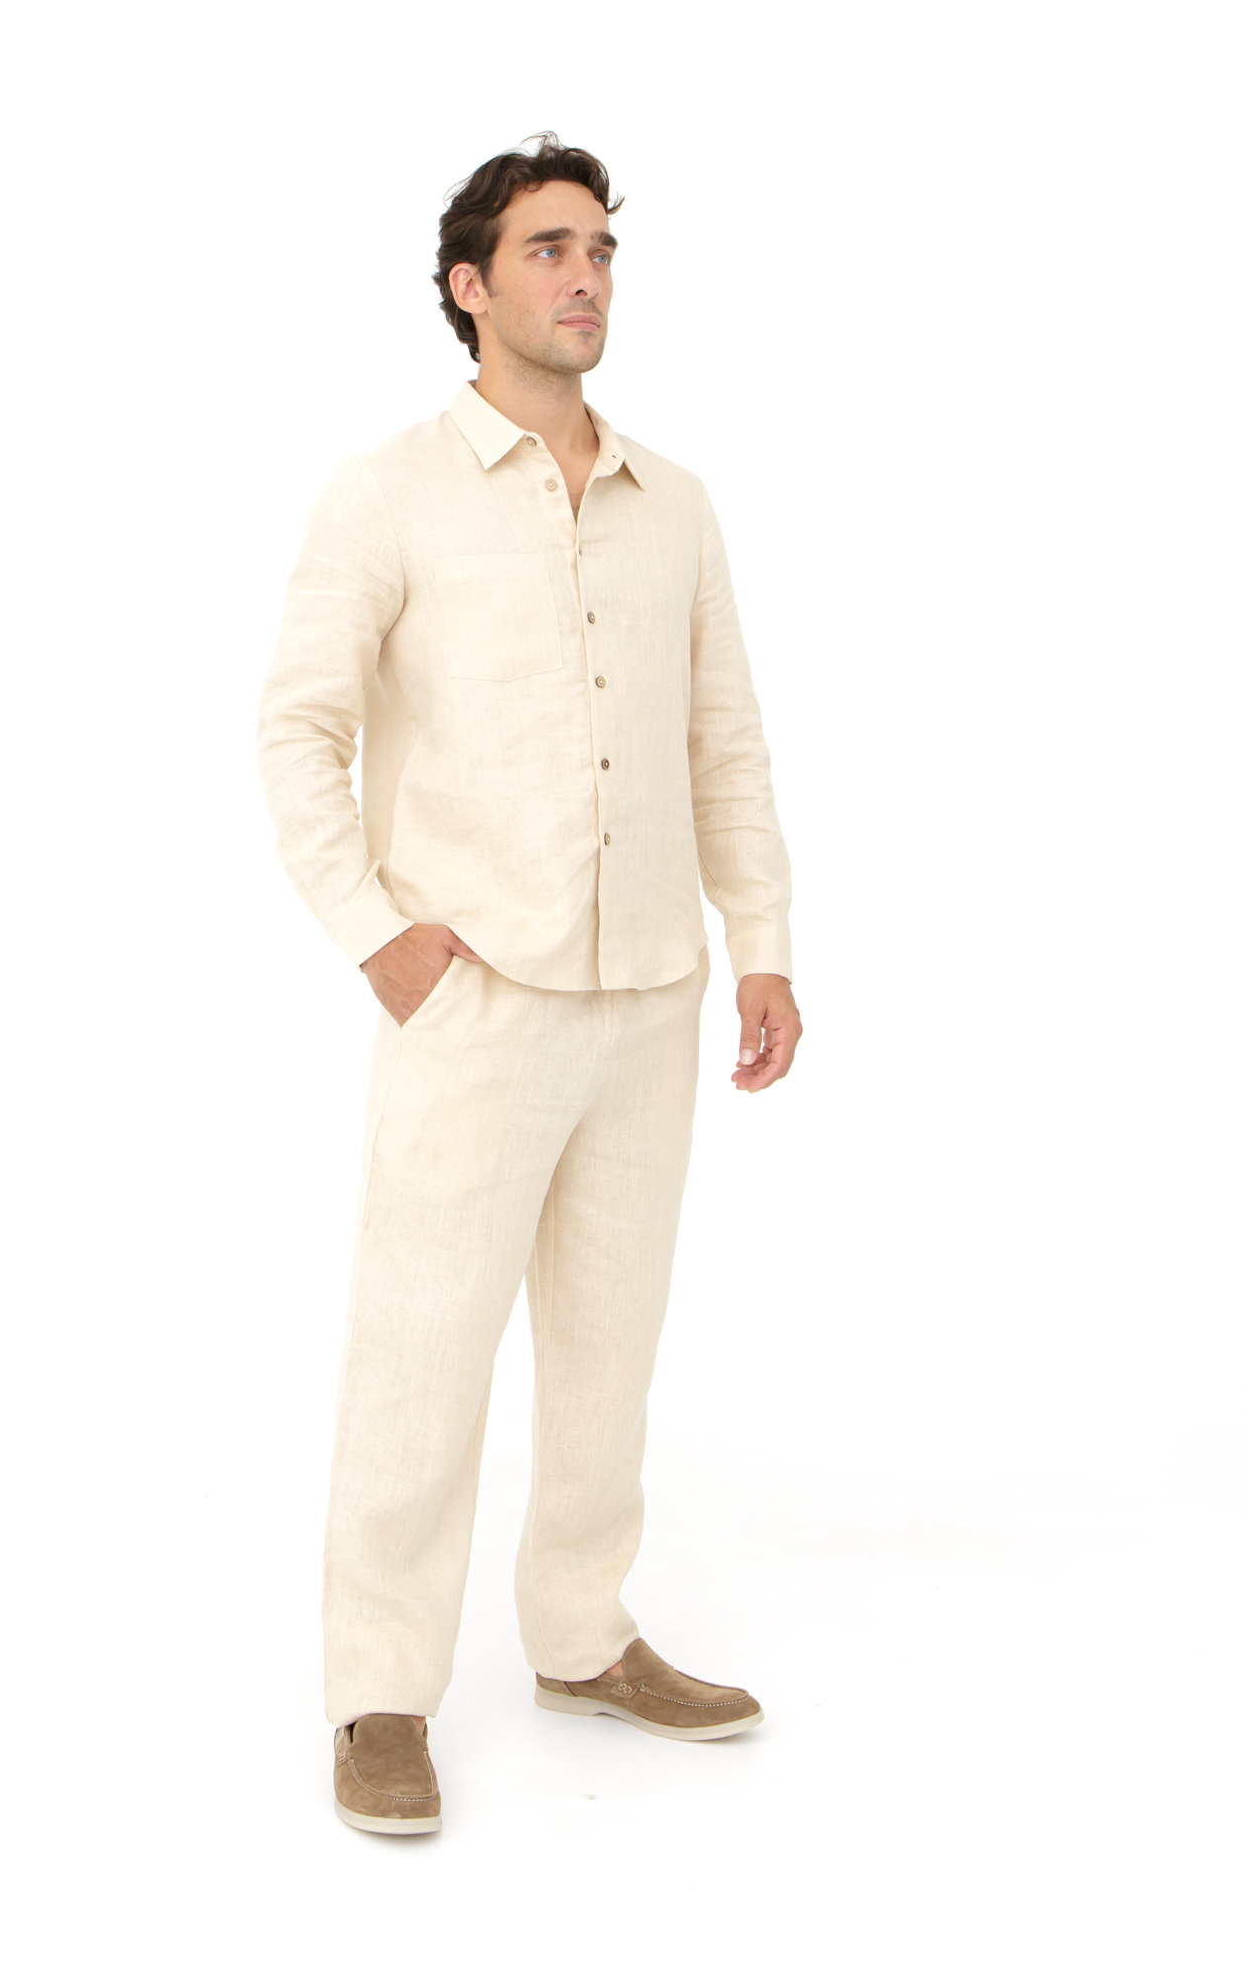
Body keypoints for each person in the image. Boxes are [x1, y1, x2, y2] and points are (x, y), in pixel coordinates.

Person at [257, 133, 801, 1835]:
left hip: (649, 997)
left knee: (608, 1349)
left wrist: (761, 943)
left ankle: (581, 1636)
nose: (586, 277)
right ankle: (378, 1692)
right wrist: (379, 933)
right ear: (469, 286)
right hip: (475, 999)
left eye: (602, 250)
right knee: (419, 1352)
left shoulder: (675, 505)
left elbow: (726, 742)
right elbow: (297, 731)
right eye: (549, 250)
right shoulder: (388, 494)